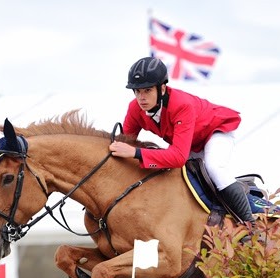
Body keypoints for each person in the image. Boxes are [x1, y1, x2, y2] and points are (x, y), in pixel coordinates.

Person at [109, 56, 254, 225]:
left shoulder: (181, 105)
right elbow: (125, 143)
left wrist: (136, 153)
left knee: (214, 167)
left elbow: (178, 157)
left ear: (162, 88)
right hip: (190, 142)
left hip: (215, 131)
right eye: (137, 91)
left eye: (147, 90)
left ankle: (251, 226)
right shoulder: (135, 108)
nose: (141, 97)